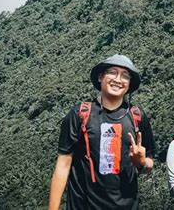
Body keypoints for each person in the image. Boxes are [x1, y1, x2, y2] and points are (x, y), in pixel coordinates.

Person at [48, 54, 155, 210]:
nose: (118, 79)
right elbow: (63, 165)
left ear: (129, 84)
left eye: (125, 76)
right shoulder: (80, 114)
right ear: (100, 77)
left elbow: (149, 164)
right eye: (112, 72)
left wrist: (142, 162)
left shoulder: (137, 117)